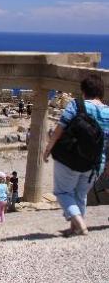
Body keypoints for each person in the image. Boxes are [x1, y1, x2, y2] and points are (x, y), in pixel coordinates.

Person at [43, 75, 109, 237]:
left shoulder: (76, 105)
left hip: (70, 159)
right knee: (80, 194)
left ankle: (79, 222)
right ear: (102, 92)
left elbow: (60, 128)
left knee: (63, 193)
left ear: (83, 91)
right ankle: (75, 229)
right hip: (95, 164)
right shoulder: (108, 112)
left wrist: (48, 149)